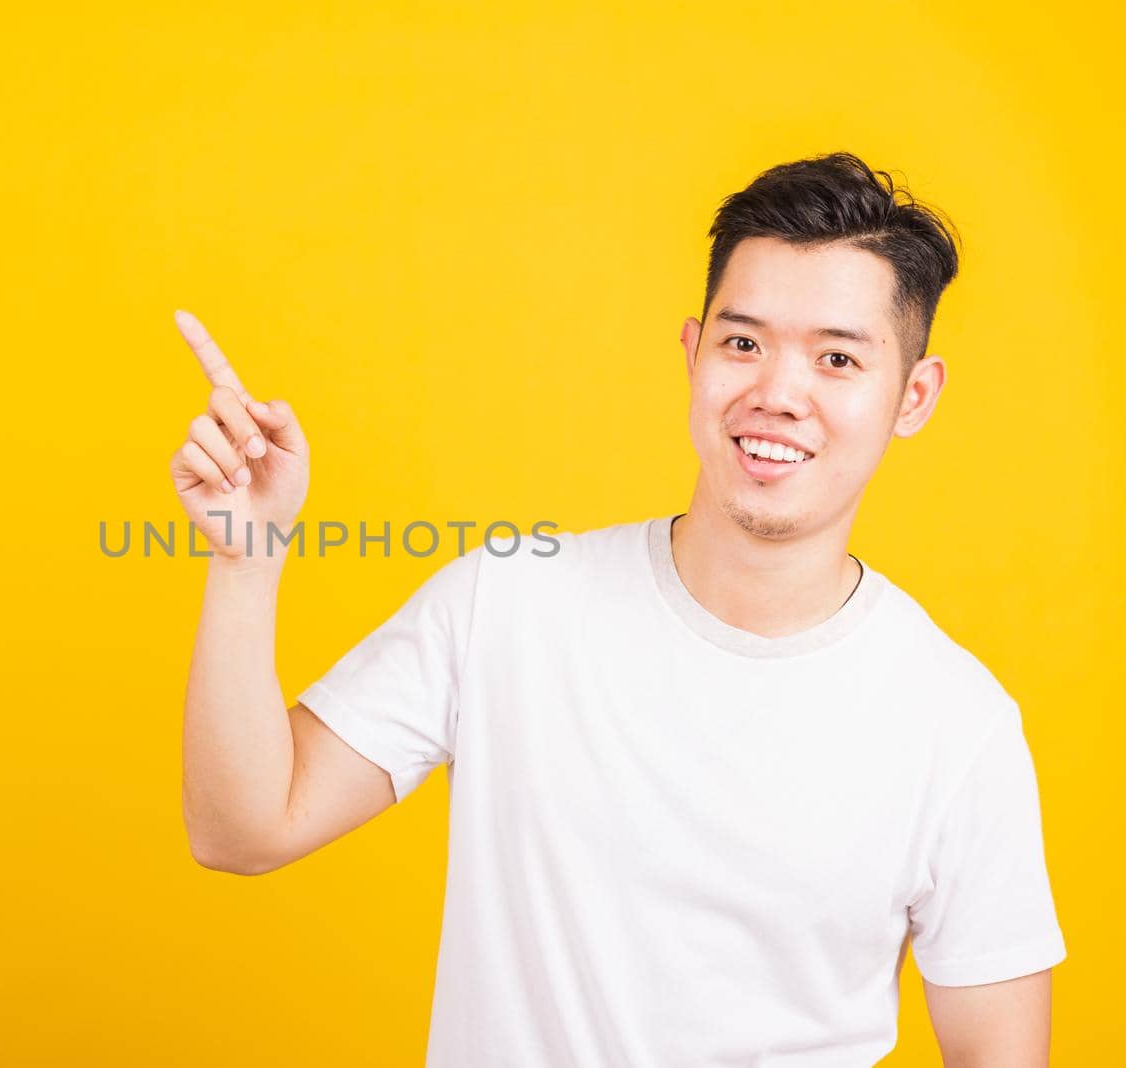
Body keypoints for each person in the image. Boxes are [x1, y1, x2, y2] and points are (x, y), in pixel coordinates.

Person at [172, 151, 1065, 1066]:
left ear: (911, 397)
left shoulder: (958, 727)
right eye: (743, 342)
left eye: (837, 358)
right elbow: (244, 827)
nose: (777, 394)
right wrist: (246, 561)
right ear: (693, 352)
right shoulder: (509, 604)